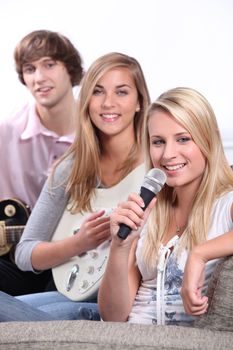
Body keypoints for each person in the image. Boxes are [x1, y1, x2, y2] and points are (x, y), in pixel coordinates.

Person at [12, 52, 150, 321]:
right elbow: (25, 253)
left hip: (122, 303)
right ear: (86, 101)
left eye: (121, 92)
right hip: (69, 292)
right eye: (98, 92)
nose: (108, 103)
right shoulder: (72, 167)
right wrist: (79, 242)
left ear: (139, 102)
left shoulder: (161, 160)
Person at [98, 87, 233, 326]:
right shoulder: (149, 211)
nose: (168, 154)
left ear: (209, 139)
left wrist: (199, 255)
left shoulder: (225, 203)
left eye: (183, 139)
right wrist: (120, 246)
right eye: (158, 142)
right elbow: (113, 317)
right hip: (126, 340)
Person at [0, 30, 84, 296]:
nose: (39, 78)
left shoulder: (101, 130)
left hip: (77, 260)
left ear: (70, 70)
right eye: (29, 69)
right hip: (16, 261)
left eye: (49, 65)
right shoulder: (7, 132)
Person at [181, 231, 233, 316]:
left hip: (193, 325)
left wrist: (198, 255)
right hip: (153, 326)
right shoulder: (155, 219)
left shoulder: (223, 217)